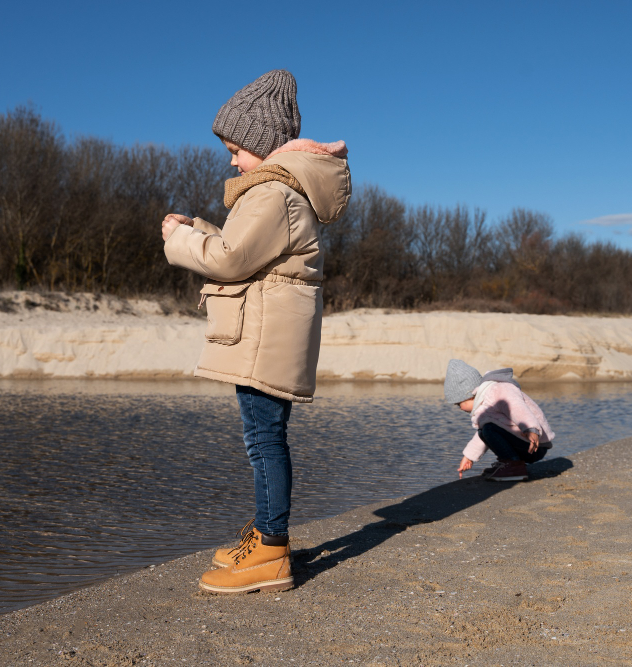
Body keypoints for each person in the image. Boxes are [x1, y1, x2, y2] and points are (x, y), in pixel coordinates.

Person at [160, 69, 351, 594]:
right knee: (262, 437)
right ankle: (267, 533)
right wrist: (199, 228)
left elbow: (231, 259)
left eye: (236, 148)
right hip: (266, 330)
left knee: (264, 438)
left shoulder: (273, 193)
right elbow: (245, 251)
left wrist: (180, 242)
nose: (231, 159)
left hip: (266, 334)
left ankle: (270, 549)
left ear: (265, 145)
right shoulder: (277, 192)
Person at [444, 359, 555, 482]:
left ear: (468, 395)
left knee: (488, 428)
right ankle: (509, 463)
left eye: (459, 404)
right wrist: (469, 457)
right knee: (485, 430)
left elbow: (517, 408)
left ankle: (513, 465)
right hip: (526, 443)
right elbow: (483, 436)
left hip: (534, 443)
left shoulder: (498, 390)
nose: (460, 408)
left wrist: (531, 428)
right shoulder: (485, 405)